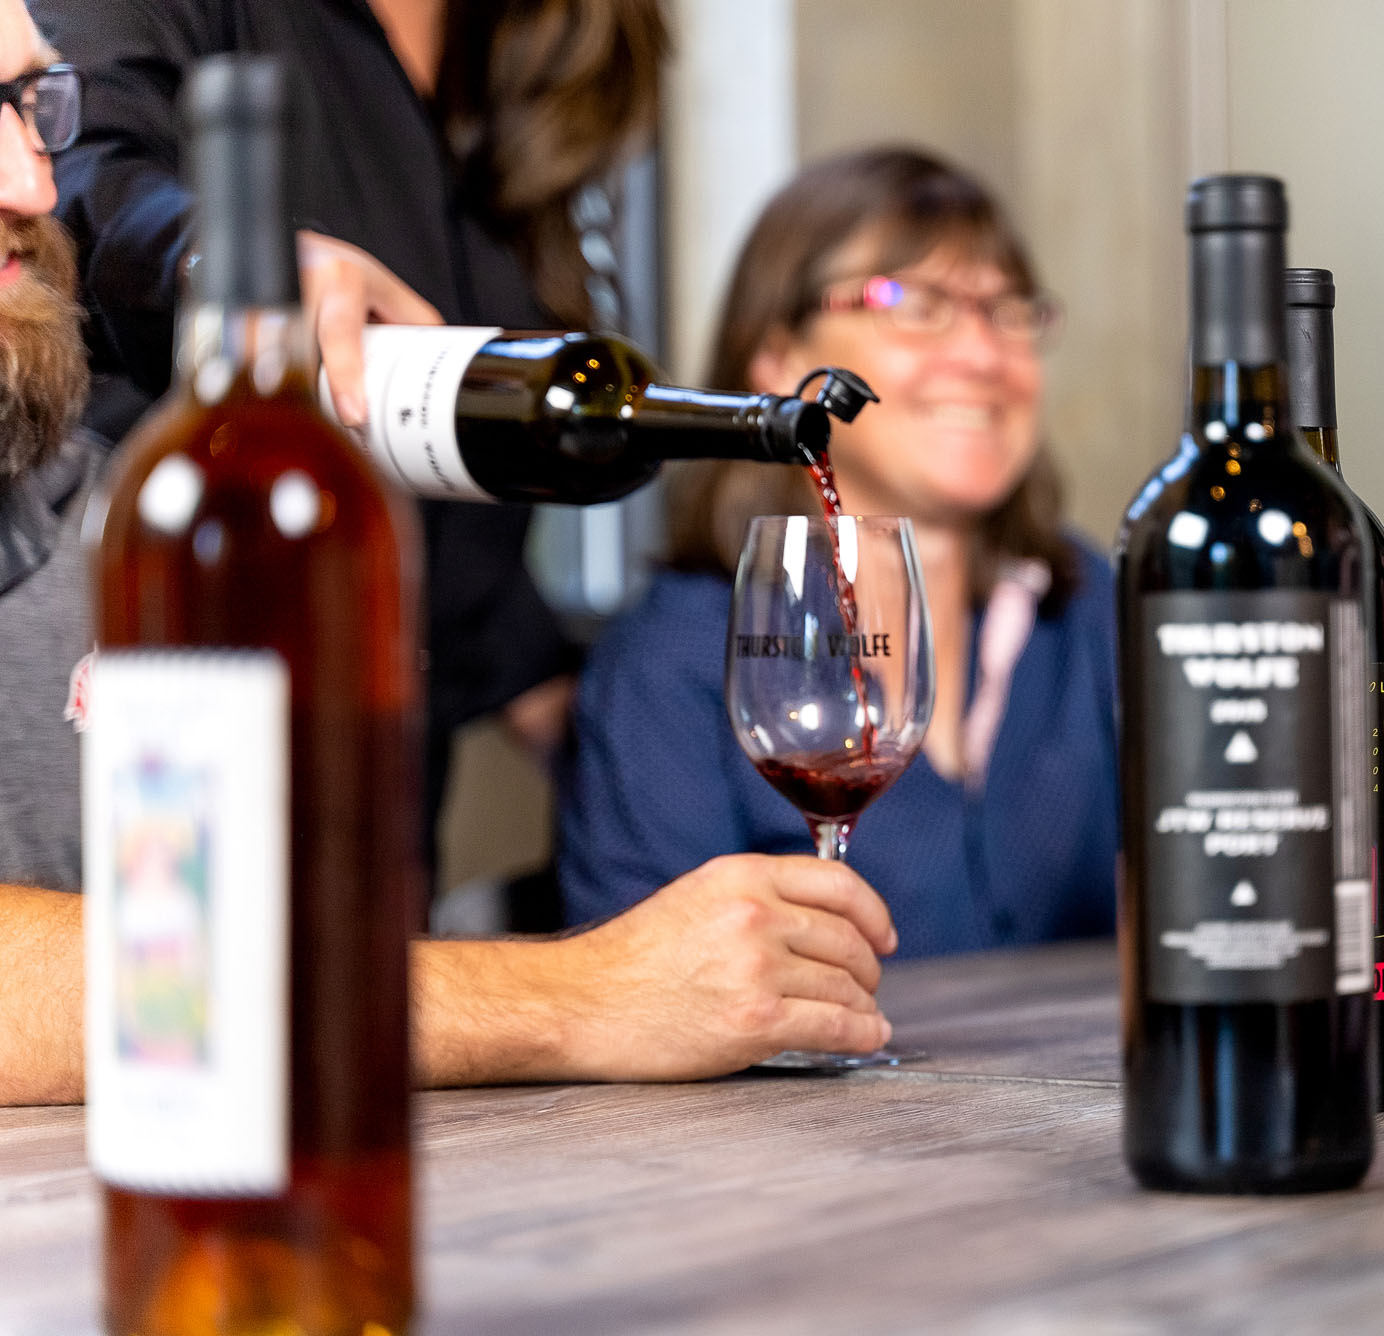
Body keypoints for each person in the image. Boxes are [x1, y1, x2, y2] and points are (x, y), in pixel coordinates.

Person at [0, 0, 896, 1106]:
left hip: (333, 922)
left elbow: (458, 550)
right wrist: (578, 996)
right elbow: (95, 185)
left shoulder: (533, 61)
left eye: (29, 115)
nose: (28, 181)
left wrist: (628, 725)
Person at [29, 0, 663, 878]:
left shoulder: (542, 45)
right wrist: (227, 263)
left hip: (376, 788)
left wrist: (646, 736)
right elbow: (78, 174)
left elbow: (430, 476)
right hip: (139, 739)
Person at [559, 148, 1118, 957]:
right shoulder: (674, 661)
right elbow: (636, 997)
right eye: (916, 304)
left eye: (1008, 312)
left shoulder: (1091, 604)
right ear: (779, 358)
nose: (983, 356)